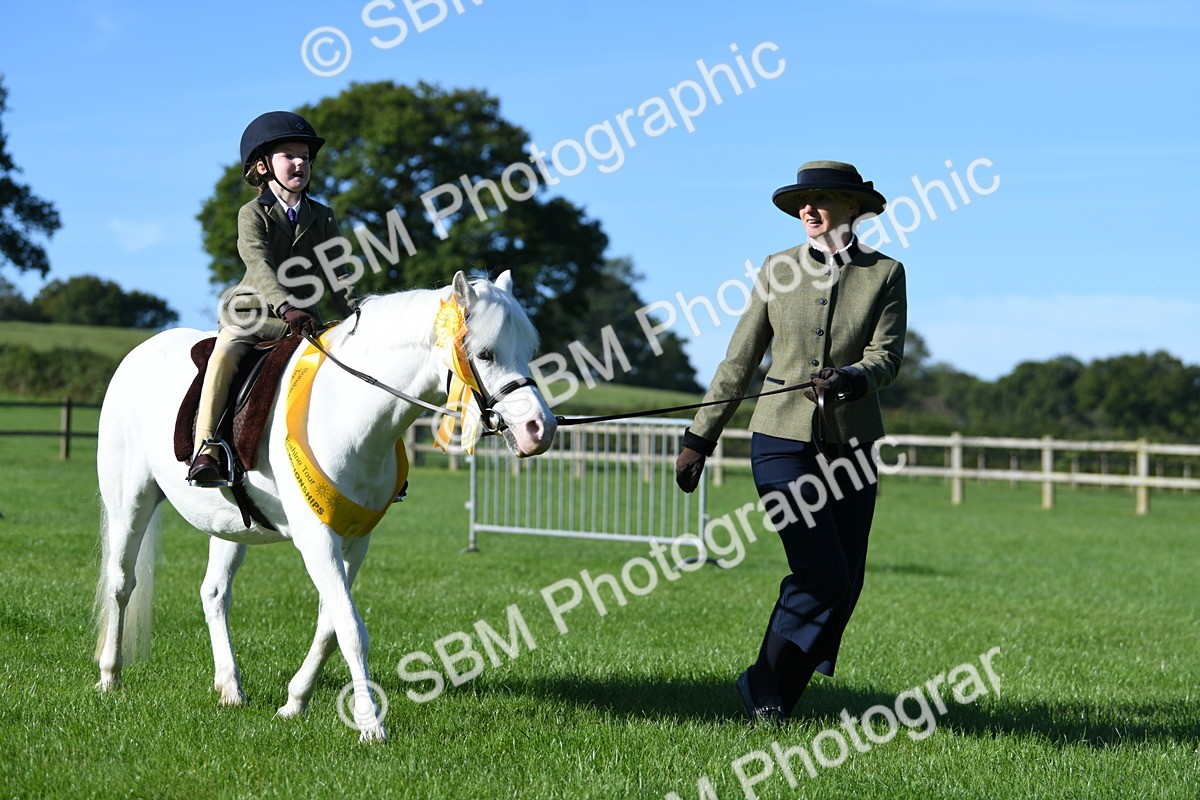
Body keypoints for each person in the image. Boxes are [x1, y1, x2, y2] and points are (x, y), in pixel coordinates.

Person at [675, 161, 906, 724]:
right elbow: (740, 359)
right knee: (821, 572)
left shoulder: (887, 273)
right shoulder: (777, 269)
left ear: (854, 208)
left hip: (853, 447)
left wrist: (853, 377)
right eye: (804, 201)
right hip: (780, 439)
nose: (810, 209)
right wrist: (699, 438)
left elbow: (888, 356)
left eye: (823, 199)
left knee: (844, 584)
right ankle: (762, 684)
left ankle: (776, 700)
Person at [187, 111, 358, 486]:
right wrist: (286, 306)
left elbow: (338, 272)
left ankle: (365, 460)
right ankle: (208, 448)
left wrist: (357, 316)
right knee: (224, 353)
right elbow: (259, 264)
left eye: (305, 157)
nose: (300, 162)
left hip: (304, 321)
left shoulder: (324, 216)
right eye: (289, 155)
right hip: (254, 316)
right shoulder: (251, 214)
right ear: (263, 166)